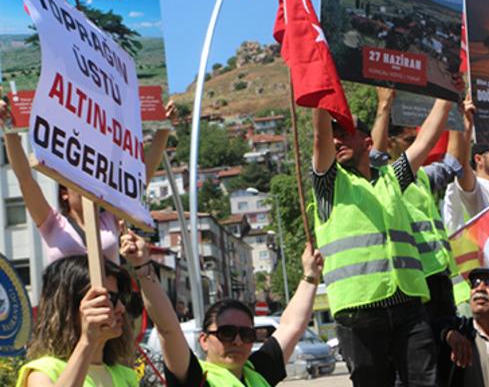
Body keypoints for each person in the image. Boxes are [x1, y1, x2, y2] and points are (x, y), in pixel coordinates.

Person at [310, 97, 451, 386]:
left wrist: (446, 95)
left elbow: (425, 141)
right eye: (333, 135)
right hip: (358, 313)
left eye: (345, 133)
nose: (336, 141)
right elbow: (319, 136)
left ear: (368, 142)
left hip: (408, 305)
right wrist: (319, 94)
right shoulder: (329, 185)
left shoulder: (391, 179)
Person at [120, 229, 322, 387]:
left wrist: (311, 275)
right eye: (226, 333)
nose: (237, 340)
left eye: (246, 334)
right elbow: (168, 328)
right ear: (204, 340)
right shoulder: (195, 378)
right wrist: (142, 266)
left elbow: (291, 325)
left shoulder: (257, 373)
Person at [0, 95, 174, 264]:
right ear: (64, 193)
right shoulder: (50, 222)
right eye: (78, 182)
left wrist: (164, 128)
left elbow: (142, 177)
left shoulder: (111, 217)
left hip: (110, 293)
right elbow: (25, 178)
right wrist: (8, 128)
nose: (88, 187)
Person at [370, 86, 469, 318]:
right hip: (414, 281)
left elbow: (452, 165)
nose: (417, 144)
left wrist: (457, 117)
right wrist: (383, 105)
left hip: (441, 276)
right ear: (390, 142)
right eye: (408, 140)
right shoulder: (380, 181)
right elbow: (375, 157)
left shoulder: (422, 176)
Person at [16, 255, 137, 387]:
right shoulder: (43, 373)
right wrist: (87, 341)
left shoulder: (125, 376)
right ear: (68, 308)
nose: (121, 308)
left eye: (121, 298)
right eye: (109, 298)